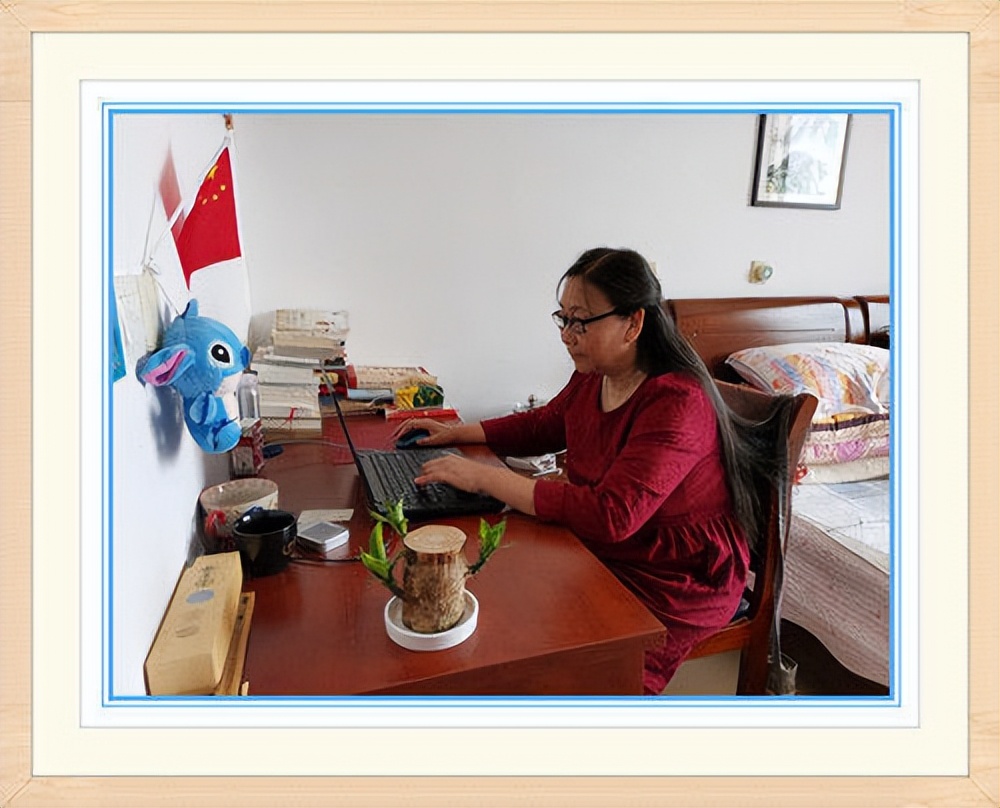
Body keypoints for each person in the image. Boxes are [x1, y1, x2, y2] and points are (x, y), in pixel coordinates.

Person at [409, 247, 766, 694]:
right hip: (612, 545)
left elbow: (613, 515)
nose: (566, 335)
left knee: (566, 667)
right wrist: (459, 432)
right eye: (563, 319)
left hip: (676, 573)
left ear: (633, 323)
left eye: (580, 322)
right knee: (499, 603)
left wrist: (489, 478)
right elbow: (546, 424)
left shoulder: (677, 400)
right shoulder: (595, 372)